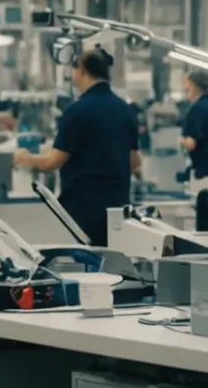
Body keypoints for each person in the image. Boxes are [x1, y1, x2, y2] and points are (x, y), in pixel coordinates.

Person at [15, 46, 139, 245]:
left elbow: (52, 162)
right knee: (112, 266)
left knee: (85, 267)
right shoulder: (126, 111)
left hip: (82, 212)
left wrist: (24, 157)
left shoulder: (77, 111)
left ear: (81, 70)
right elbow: (134, 163)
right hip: (118, 209)